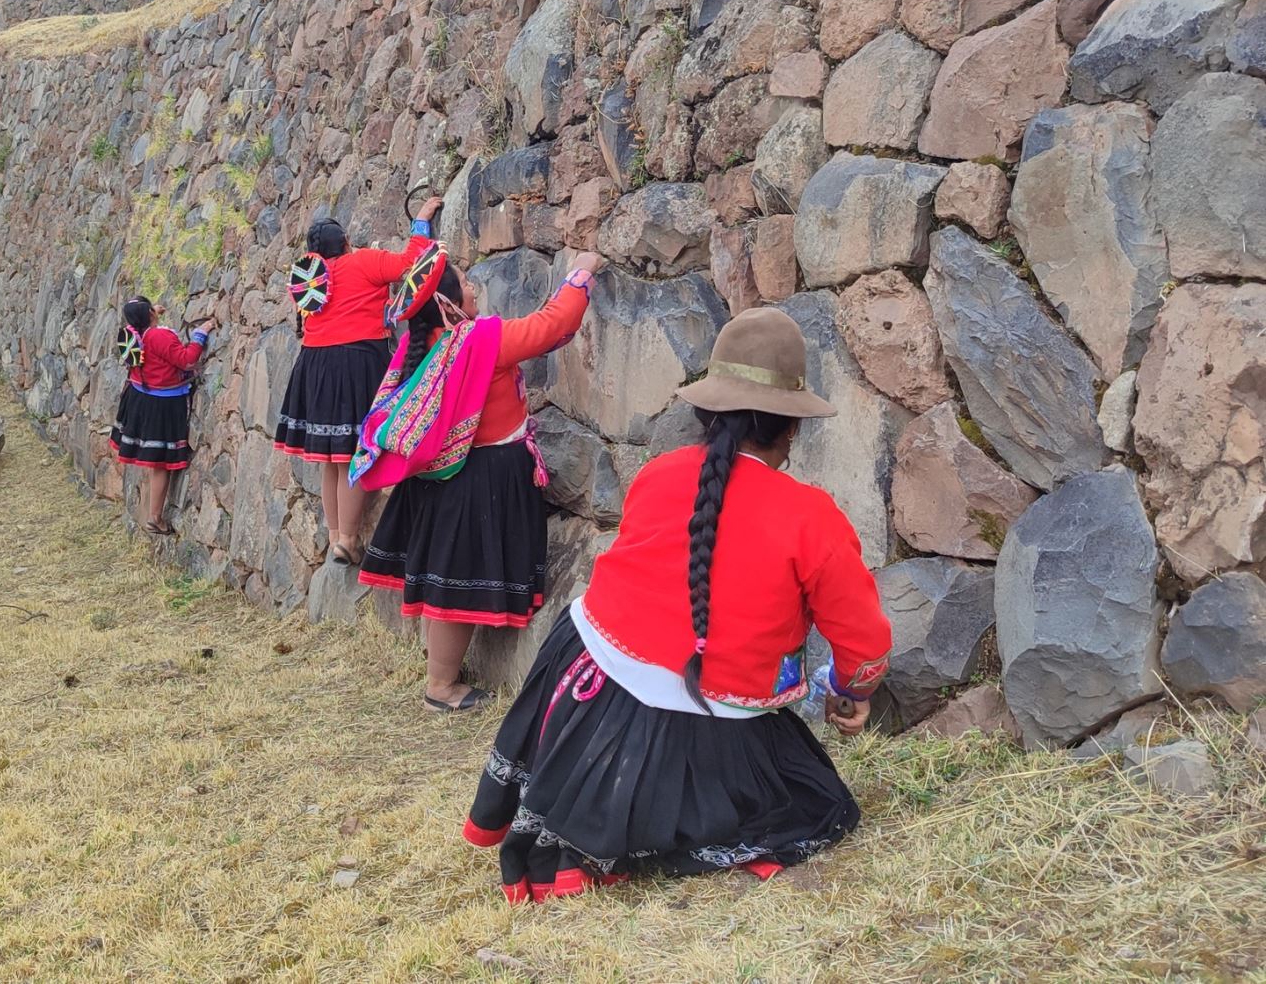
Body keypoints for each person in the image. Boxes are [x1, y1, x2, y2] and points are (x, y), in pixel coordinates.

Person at [460, 306, 893, 902]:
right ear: (790, 429)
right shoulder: (812, 518)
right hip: (713, 714)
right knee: (819, 804)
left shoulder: (659, 473)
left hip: (584, 676)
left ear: (706, 411)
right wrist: (852, 693)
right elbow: (864, 646)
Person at [356, 248, 601, 713]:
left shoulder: (418, 349)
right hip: (479, 478)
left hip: (442, 480)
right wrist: (581, 275)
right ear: (448, 304)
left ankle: (441, 673)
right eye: (465, 284)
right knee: (452, 584)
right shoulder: (480, 342)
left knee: (443, 578)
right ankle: (441, 688)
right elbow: (551, 327)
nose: (473, 289)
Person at [275, 197, 443, 563]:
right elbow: (408, 264)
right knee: (353, 452)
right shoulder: (364, 261)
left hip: (315, 365)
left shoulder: (308, 282)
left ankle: (336, 534)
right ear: (347, 242)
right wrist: (421, 222)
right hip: (355, 362)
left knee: (331, 459)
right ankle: (348, 539)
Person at [109, 295, 213, 535]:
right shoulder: (158, 336)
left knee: (152, 460)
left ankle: (149, 511)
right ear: (150, 316)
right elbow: (187, 360)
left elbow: (140, 325)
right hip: (160, 405)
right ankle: (155, 517)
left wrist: (151, 313)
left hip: (139, 398)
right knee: (160, 464)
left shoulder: (133, 334)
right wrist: (201, 332)